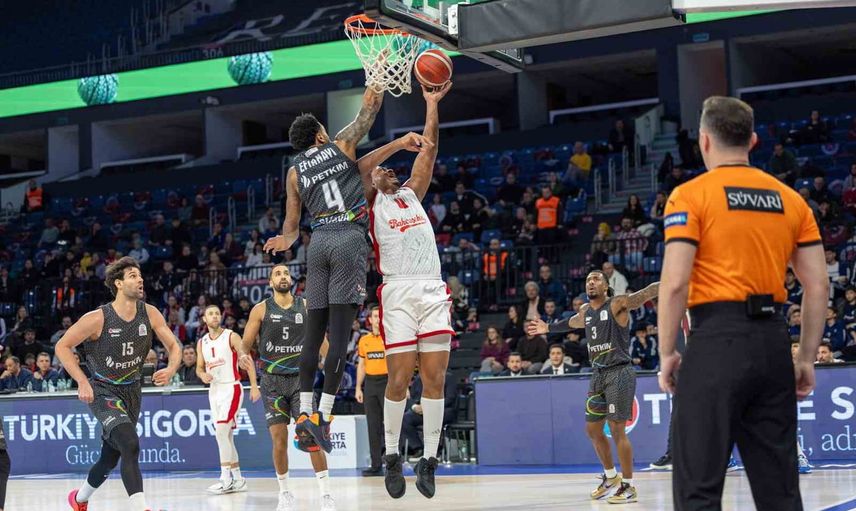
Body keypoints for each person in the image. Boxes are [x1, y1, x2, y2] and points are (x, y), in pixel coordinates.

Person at [657, 96, 826, 511]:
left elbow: (675, 283)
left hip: (716, 341)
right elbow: (818, 285)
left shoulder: (689, 195)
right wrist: (805, 358)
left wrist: (667, 353)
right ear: (752, 141)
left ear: (704, 140)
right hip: (772, 343)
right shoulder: (790, 199)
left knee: (698, 489)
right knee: (780, 492)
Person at [263, 78, 390, 454]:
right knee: (338, 337)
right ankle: (324, 416)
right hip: (348, 238)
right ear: (320, 135)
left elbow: (290, 230)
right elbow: (369, 110)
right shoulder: (340, 144)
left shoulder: (293, 172)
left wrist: (282, 241)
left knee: (313, 335)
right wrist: (378, 79)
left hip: (317, 243)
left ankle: (304, 413)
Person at [354, 82, 453, 500]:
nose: (390, 172)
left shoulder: (412, 194)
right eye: (385, 171)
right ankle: (392, 454)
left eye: (394, 170)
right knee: (397, 380)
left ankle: (428, 459)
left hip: (431, 288)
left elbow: (429, 150)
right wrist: (395, 145)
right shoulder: (369, 203)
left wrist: (431, 104)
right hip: (397, 292)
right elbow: (361, 168)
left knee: (435, 378)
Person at [57, 257, 182, 511]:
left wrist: (171, 369)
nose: (140, 280)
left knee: (110, 457)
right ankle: (141, 508)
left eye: (140, 275)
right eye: (133, 276)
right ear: (118, 283)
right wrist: (82, 381)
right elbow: (62, 346)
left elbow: (173, 345)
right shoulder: (98, 318)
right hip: (103, 390)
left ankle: (79, 499)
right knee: (130, 444)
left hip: (132, 391)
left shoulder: (150, 313)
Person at [528, 272, 660, 504]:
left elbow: (646, 293)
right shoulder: (585, 312)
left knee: (617, 430)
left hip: (619, 372)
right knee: (592, 430)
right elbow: (570, 322)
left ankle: (628, 485)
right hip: (598, 374)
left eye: (597, 279)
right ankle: (611, 476)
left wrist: (671, 281)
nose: (591, 282)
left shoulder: (617, 304)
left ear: (606, 287)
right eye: (588, 279)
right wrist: (548, 328)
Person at [238, 264, 334, 511]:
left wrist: (333, 365)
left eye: (286, 273)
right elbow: (245, 345)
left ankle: (326, 494)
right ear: (270, 282)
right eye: (278, 274)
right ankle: (285, 493)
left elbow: (322, 341)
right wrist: (242, 356)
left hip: (301, 382)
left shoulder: (306, 306)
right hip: (272, 383)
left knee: (312, 437)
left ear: (291, 280)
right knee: (279, 440)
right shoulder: (261, 310)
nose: (283, 277)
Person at [197, 304, 258, 494]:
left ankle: (225, 478)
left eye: (217, 313)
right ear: (204, 319)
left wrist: (254, 385)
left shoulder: (231, 336)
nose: (215, 316)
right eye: (210, 314)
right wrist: (202, 375)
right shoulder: (202, 342)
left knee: (221, 432)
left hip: (231, 387)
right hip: (214, 390)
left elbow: (246, 359)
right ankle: (238, 479)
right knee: (227, 436)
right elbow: (199, 367)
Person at [355, 306, 388, 477]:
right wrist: (358, 387)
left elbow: (397, 364)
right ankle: (376, 465)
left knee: (390, 426)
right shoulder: (364, 340)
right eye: (375, 316)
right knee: (373, 425)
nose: (377, 319)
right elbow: (361, 365)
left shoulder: (389, 338)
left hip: (387, 383)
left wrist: (403, 387)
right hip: (370, 384)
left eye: (380, 316)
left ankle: (393, 465)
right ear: (370, 319)